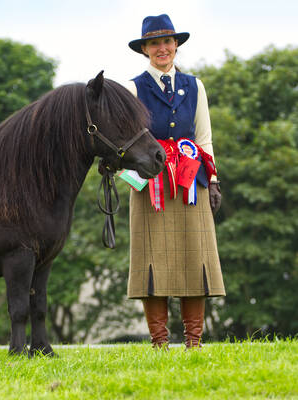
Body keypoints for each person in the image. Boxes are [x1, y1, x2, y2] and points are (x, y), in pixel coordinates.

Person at [123, 14, 225, 349]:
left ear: (176, 45)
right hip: (149, 184)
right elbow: (123, 141)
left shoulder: (195, 86)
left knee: (194, 258)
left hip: (190, 182)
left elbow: (205, 137)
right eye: (155, 43)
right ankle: (159, 342)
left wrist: (213, 180)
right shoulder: (133, 87)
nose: (162, 48)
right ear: (145, 50)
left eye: (167, 42)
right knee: (152, 261)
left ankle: (194, 341)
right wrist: (130, 180)